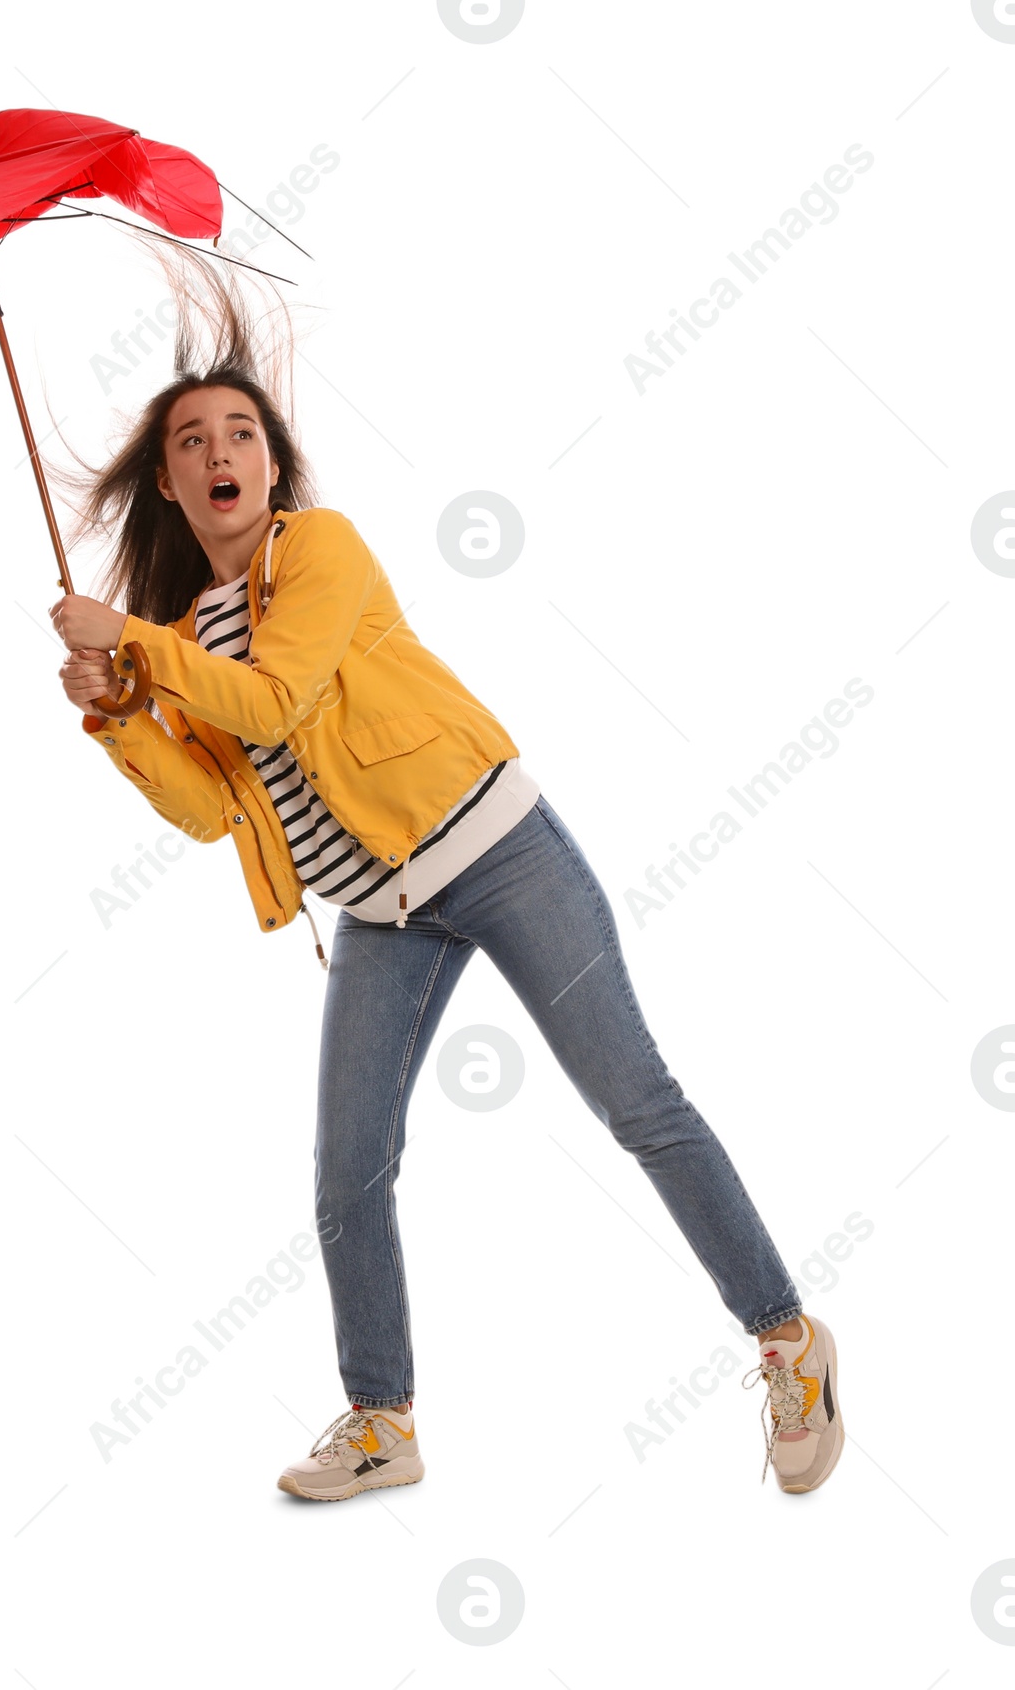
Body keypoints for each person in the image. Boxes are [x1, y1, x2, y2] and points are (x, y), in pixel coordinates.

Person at [47, 248, 843, 1500]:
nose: (220, 452)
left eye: (241, 432)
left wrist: (132, 646)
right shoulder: (180, 638)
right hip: (378, 912)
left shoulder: (319, 551)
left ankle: (788, 1339)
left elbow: (278, 694)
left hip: (493, 845)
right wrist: (115, 714)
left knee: (637, 1101)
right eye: (194, 439)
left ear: (267, 460)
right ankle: (382, 1420)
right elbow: (213, 809)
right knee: (345, 1167)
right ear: (168, 479)